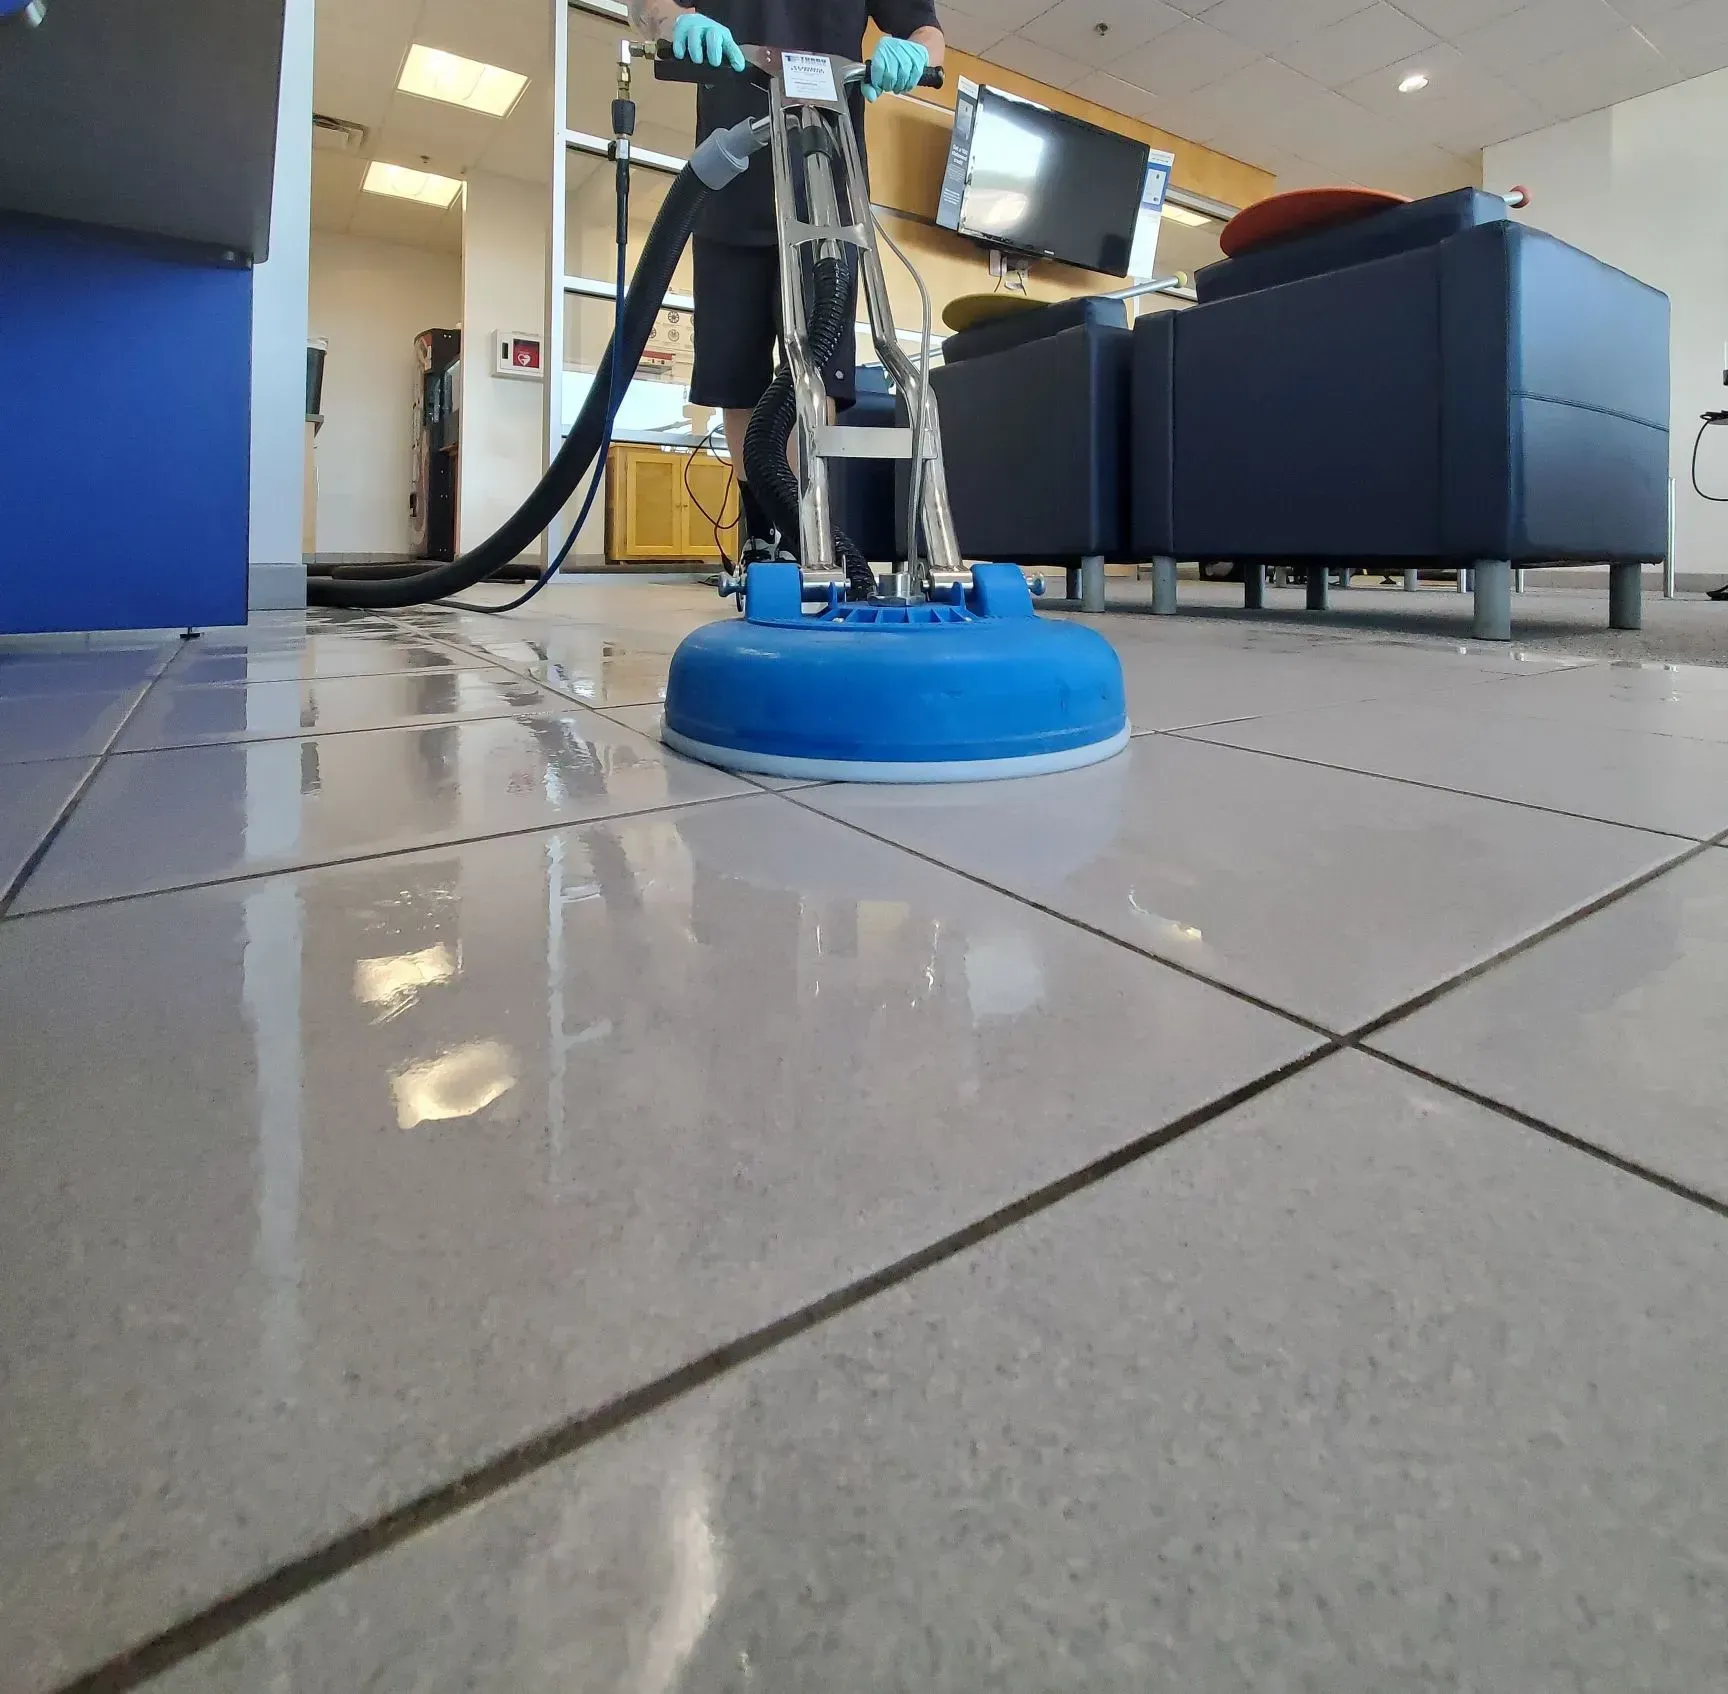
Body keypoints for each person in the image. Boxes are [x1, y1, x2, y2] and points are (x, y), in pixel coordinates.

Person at [631, 0, 945, 562]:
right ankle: (763, 533)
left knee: (818, 370)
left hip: (830, 180)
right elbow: (648, 6)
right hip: (734, 175)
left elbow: (928, 32)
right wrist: (677, 23)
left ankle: (810, 528)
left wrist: (915, 51)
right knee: (738, 379)